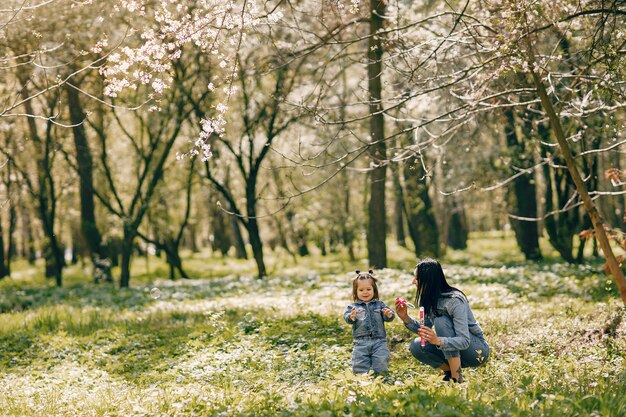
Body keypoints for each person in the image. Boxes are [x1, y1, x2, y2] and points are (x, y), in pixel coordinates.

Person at [395, 258, 489, 383]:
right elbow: (425, 330)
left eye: (416, 278)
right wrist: (405, 317)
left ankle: (457, 379)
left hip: (475, 351)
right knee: (417, 346)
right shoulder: (429, 299)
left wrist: (438, 340)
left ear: (428, 280)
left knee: (441, 321)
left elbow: (464, 341)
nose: (413, 282)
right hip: (456, 350)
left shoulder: (455, 301)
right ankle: (450, 374)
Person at [344, 270, 395, 375]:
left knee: (381, 362)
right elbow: (347, 318)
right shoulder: (353, 307)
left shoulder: (380, 305)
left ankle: (381, 378)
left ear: (374, 290)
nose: (365, 292)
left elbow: (389, 316)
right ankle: (361, 381)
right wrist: (350, 317)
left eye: (368, 289)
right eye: (361, 290)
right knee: (359, 364)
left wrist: (388, 315)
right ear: (356, 292)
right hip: (360, 342)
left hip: (379, 341)